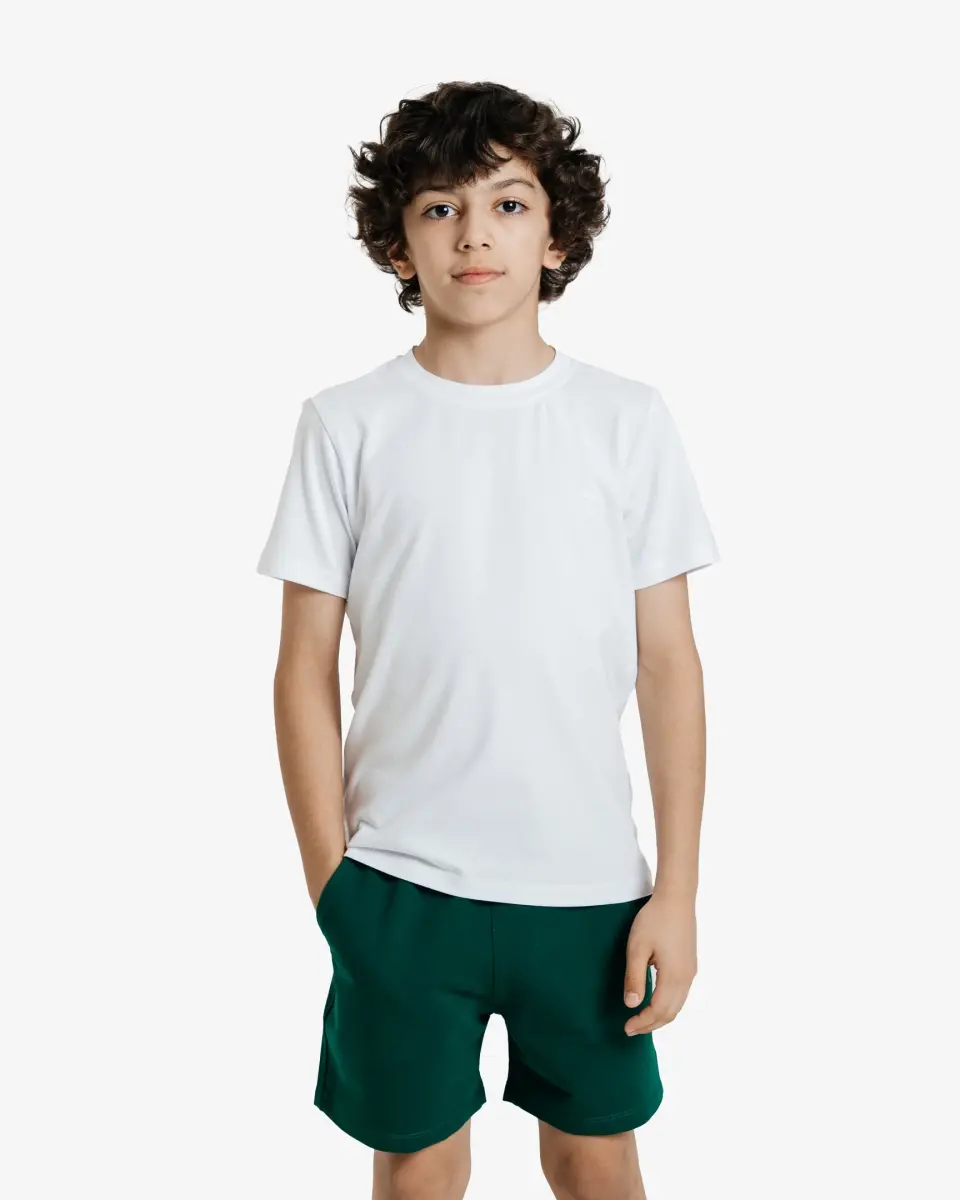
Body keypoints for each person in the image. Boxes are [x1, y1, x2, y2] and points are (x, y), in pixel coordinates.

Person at [256, 80, 720, 1200]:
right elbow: (303, 669)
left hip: (590, 887)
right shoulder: (346, 424)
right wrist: (333, 886)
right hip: (400, 884)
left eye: (509, 204)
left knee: (596, 1159)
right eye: (440, 207)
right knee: (418, 1168)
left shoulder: (626, 421)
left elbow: (670, 665)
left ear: (556, 235)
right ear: (397, 243)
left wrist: (677, 891)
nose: (475, 235)